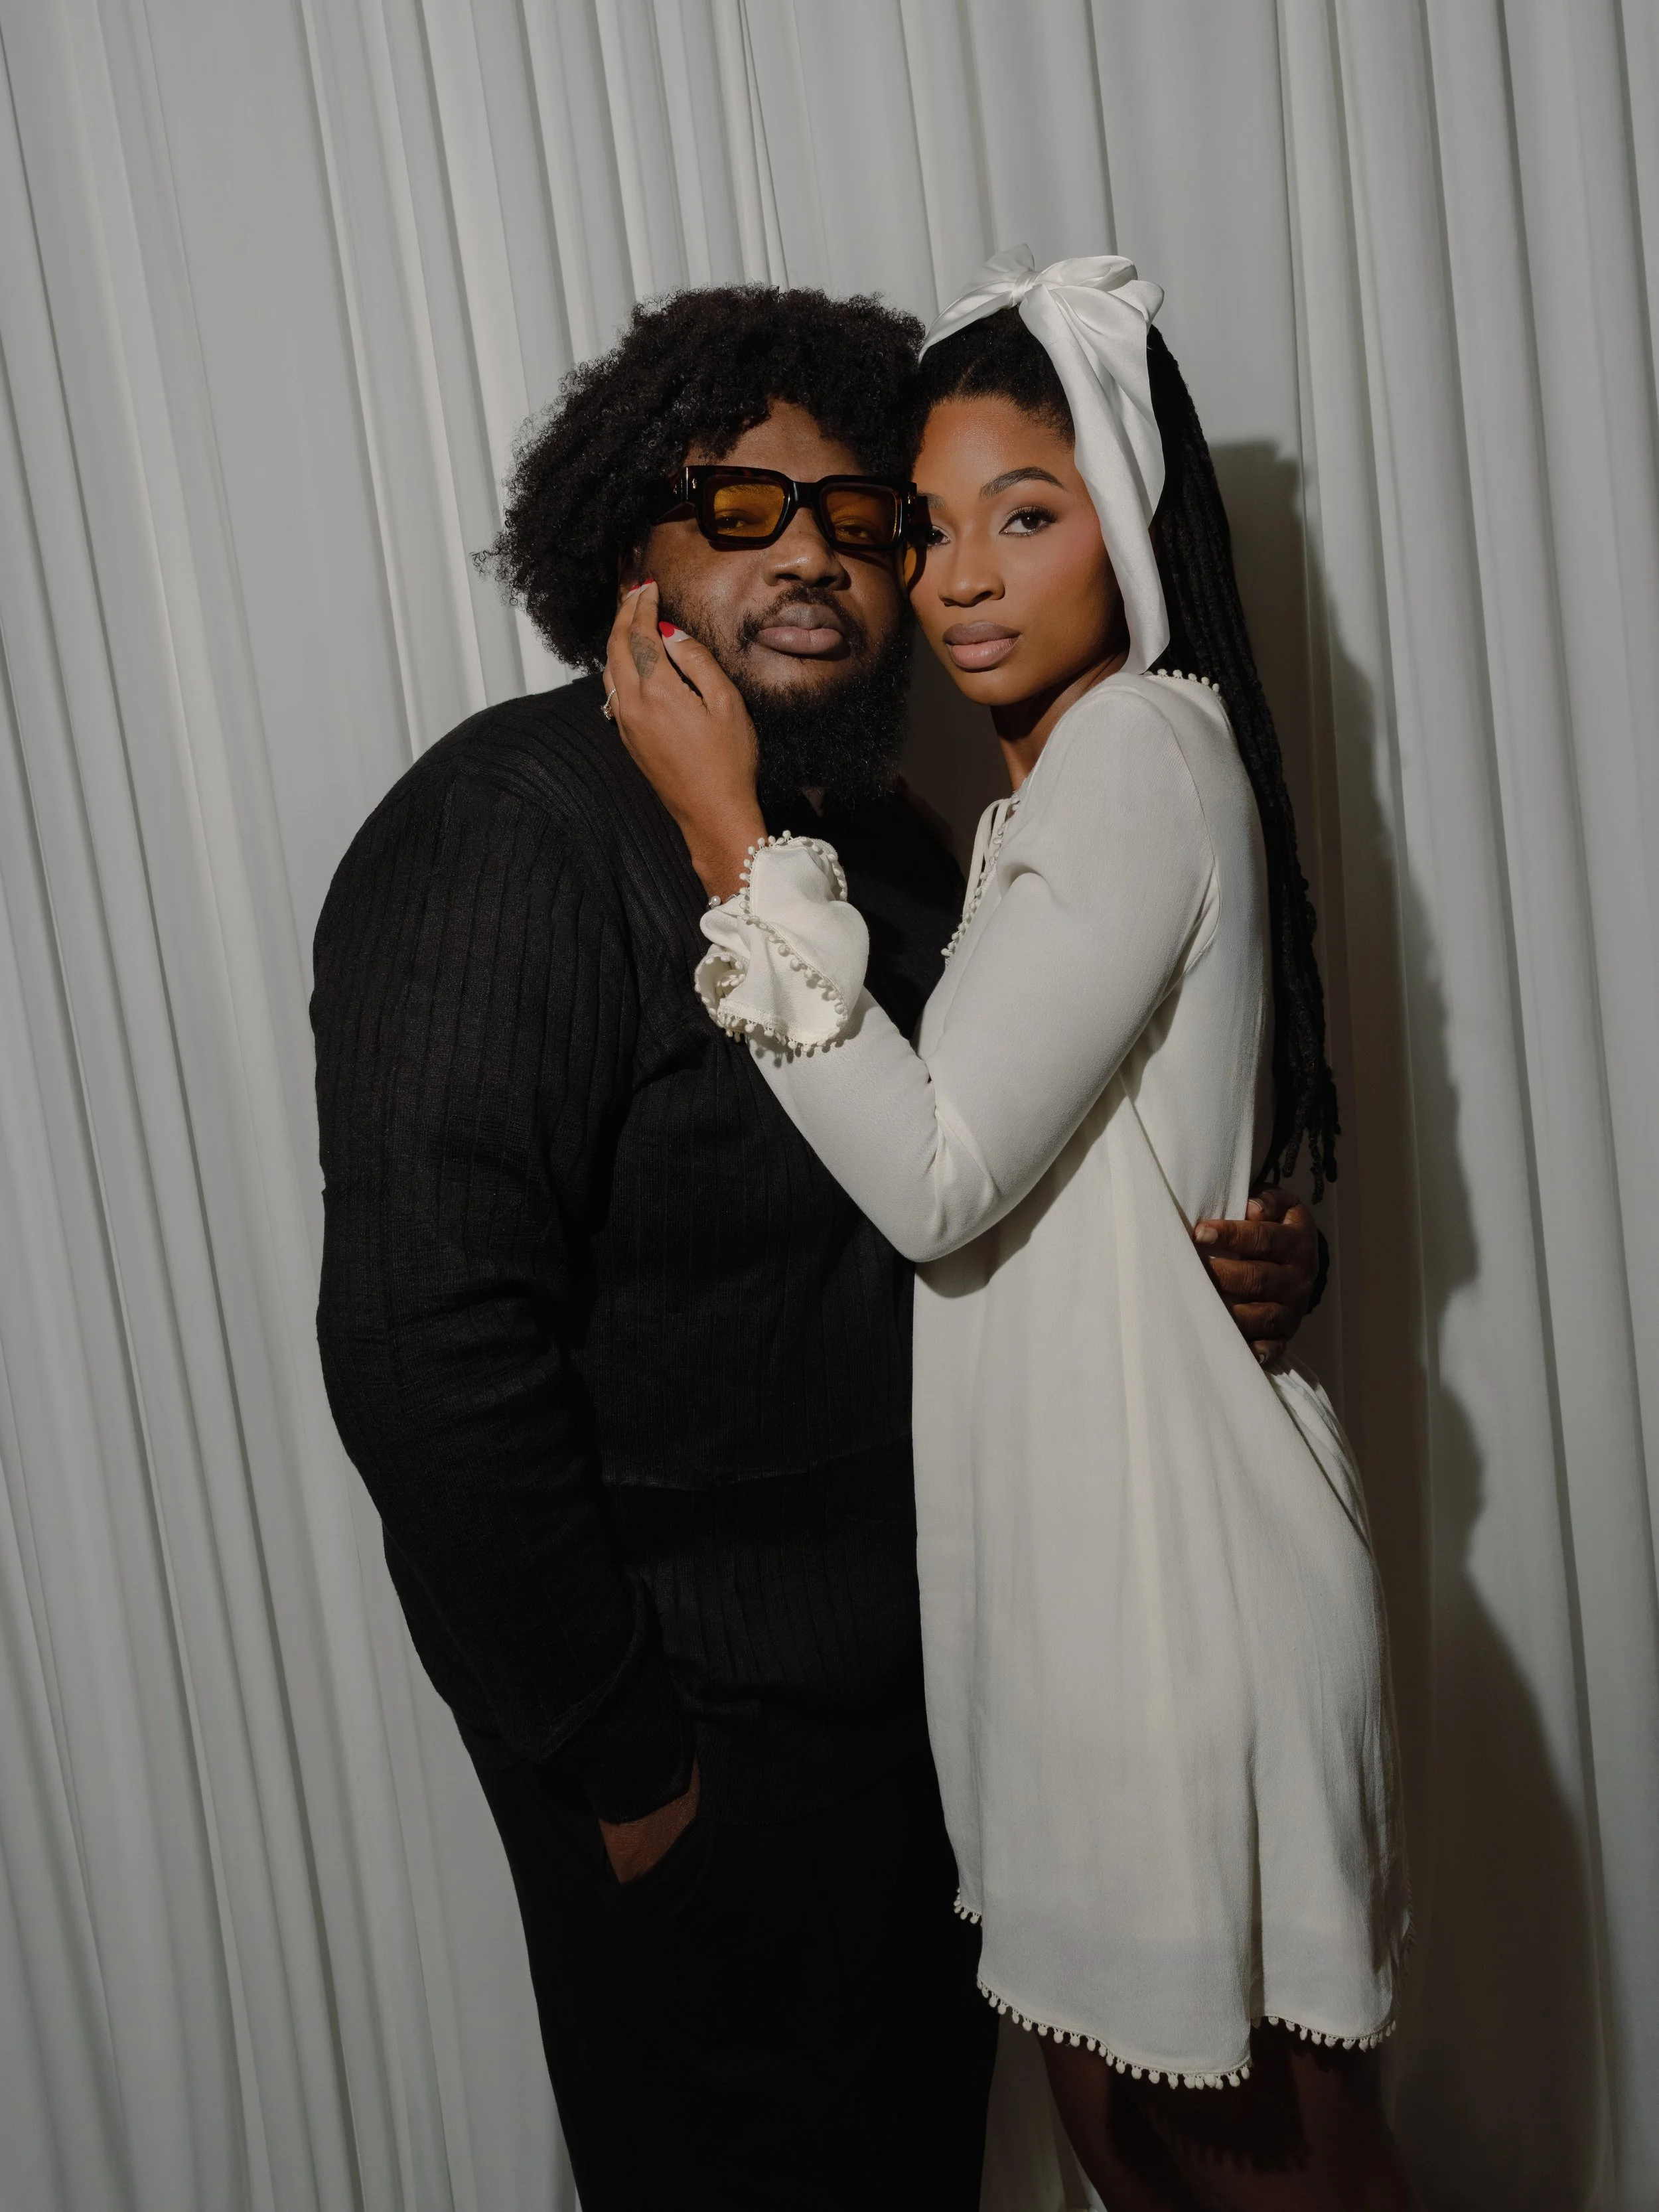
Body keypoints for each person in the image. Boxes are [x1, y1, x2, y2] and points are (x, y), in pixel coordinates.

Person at [311, 281, 1325, 2211]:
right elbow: (425, 1345)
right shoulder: (501, 835)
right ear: (628, 542)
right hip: (707, 1764)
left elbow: (999, 1178)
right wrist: (630, 1773)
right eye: (742, 505)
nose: (819, 559)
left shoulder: (900, 846)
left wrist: (1234, 1259)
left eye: (868, 520)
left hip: (952, 1719)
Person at [607, 252, 1417, 2211]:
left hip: (1167, 1611)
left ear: (1123, 534)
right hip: (1086, 1612)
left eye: (1025, 517)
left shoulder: (1134, 751)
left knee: (1245, 2168)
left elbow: (934, 1175)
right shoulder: (1042, 800)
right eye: (929, 525)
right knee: (1129, 2146)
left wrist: (728, 842)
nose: (958, 573)